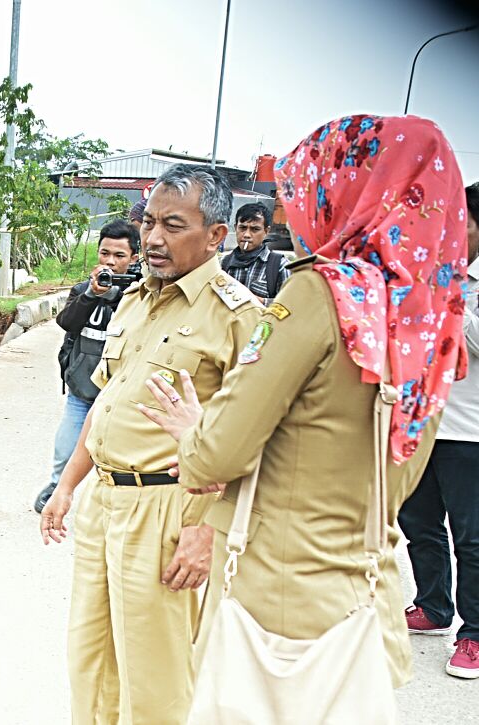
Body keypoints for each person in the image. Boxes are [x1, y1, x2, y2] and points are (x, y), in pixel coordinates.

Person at [140, 114, 468, 693]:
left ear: (349, 191)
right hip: (366, 596)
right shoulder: (428, 315)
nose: (293, 212)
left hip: (280, 608)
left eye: (305, 191)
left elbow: (217, 454)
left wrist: (194, 428)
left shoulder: (320, 294)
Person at [40, 163, 263, 724]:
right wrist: (68, 485)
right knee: (92, 661)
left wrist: (207, 531)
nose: (154, 238)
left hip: (169, 511)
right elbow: (105, 402)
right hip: (105, 504)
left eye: (174, 225)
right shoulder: (138, 298)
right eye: (149, 223)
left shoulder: (240, 316)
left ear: (217, 234)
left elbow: (257, 440)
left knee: (156, 675)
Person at [399, 181, 479, 680]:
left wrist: (452, 298)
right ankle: (433, 605)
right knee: (417, 521)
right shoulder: (435, 269)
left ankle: (473, 635)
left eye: (462, 222)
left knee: (472, 539)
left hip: (470, 433)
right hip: (424, 422)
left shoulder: (458, 282)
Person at [34, 220, 141, 513]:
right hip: (83, 387)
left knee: (121, 452)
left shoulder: (142, 294)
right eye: (105, 253)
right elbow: (67, 322)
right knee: (66, 446)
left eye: (119, 255)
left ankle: (116, 503)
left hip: (121, 393)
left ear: (134, 257)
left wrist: (116, 298)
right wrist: (92, 295)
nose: (110, 261)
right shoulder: (84, 288)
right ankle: (57, 488)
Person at [220, 202, 290, 302]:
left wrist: (256, 301)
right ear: (236, 228)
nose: (247, 235)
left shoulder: (280, 266)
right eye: (242, 228)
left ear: (266, 231)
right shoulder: (223, 263)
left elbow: (289, 306)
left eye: (255, 229)